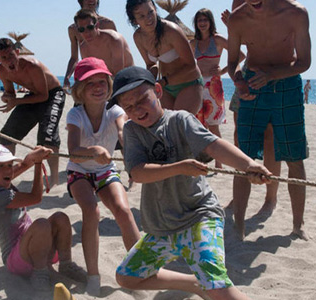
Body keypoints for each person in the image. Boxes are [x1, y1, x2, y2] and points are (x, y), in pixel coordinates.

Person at [111, 66, 271, 300]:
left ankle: (206, 284)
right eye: (129, 107)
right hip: (162, 227)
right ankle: (195, 284)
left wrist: (248, 165)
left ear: (157, 90)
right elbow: (137, 173)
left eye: (142, 100)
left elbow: (214, 145)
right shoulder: (132, 130)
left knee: (217, 286)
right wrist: (179, 167)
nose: (137, 110)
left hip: (199, 217)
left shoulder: (180, 120)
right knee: (127, 277)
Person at [227, 0, 311, 241]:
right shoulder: (237, 18)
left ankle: (298, 226)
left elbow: (304, 62)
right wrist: (239, 80)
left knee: (294, 157)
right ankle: (239, 226)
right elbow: (232, 63)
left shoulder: (296, 13)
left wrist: (272, 75)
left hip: (287, 84)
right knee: (243, 158)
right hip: (253, 86)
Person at [0, 144, 88, 292]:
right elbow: (35, 197)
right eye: (1, 166)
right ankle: (40, 272)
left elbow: (22, 165)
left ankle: (66, 264)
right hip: (18, 261)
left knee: (61, 218)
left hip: (37, 247)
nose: (8, 170)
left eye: (9, 165)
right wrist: (38, 163)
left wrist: (33, 157)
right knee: (41, 224)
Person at [65, 58, 141, 296]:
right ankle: (93, 276)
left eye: (102, 82)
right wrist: (93, 152)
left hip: (105, 171)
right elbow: (73, 152)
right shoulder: (75, 115)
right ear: (80, 90)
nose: (98, 87)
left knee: (123, 211)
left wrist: (129, 148)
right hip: (79, 171)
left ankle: (139, 271)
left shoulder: (115, 110)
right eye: (91, 83)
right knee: (91, 211)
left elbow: (123, 131)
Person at [223, 0, 282, 223]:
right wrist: (238, 78)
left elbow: (286, 46)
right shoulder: (239, 4)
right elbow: (237, 53)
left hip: (275, 73)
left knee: (270, 139)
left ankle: (271, 198)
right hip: (248, 72)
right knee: (240, 138)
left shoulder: (282, 6)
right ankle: (239, 194)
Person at [0, 38, 65, 188]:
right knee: (7, 135)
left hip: (52, 95)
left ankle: (55, 180)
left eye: (11, 55)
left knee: (47, 137)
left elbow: (44, 96)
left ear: (17, 53)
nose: (9, 61)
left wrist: (16, 102)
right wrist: (7, 98)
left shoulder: (32, 66)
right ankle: (7, 175)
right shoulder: (1, 71)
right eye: (4, 58)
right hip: (33, 96)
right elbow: (10, 93)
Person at [190, 8, 245, 168]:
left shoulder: (218, 40)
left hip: (214, 86)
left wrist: (222, 71)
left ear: (210, 21)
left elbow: (240, 55)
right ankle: (202, 160)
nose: (202, 23)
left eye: (205, 20)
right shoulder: (193, 43)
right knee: (199, 126)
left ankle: (218, 163)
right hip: (198, 85)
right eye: (199, 20)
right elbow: (183, 61)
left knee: (213, 126)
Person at [127, 0, 203, 114]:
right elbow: (150, 64)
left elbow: (191, 65)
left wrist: (164, 81)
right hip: (165, 87)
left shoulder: (171, 31)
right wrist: (148, 81)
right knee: (168, 128)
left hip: (189, 83)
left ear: (156, 10)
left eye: (150, 12)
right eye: (141, 16)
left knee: (178, 124)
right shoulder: (138, 37)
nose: (148, 18)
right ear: (134, 20)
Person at [64, 0, 117, 91]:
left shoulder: (108, 23)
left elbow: (117, 52)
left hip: (109, 77)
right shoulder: (73, 29)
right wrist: (67, 77)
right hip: (88, 76)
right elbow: (74, 58)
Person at [72, 9, 133, 76]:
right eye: (81, 29)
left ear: (97, 25)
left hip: (130, 78)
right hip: (109, 81)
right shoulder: (84, 48)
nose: (86, 32)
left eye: (90, 27)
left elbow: (119, 73)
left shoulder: (114, 39)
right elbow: (90, 73)